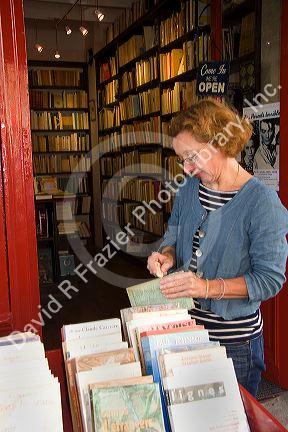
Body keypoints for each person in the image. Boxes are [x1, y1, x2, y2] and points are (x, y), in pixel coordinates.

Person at [147, 99, 288, 397]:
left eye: (193, 157)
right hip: (184, 333)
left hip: (235, 347)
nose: (186, 168)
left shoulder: (262, 204)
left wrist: (205, 288)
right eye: (181, 159)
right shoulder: (188, 189)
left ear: (221, 144)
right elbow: (173, 234)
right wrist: (166, 255)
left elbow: (269, 281)